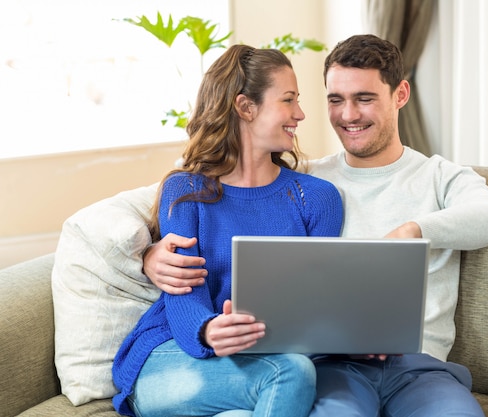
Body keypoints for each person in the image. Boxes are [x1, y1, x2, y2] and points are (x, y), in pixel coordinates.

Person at [143, 35, 488, 416]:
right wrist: (149, 253)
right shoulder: (308, 181)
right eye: (336, 100)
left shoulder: (439, 176)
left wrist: (412, 232)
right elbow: (213, 181)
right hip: (335, 366)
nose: (349, 114)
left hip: (418, 367)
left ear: (400, 94)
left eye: (365, 98)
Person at [111, 44, 344, 417]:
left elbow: (316, 305)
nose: (300, 114)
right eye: (288, 100)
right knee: (290, 372)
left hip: (255, 362)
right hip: (171, 355)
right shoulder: (186, 190)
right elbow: (182, 295)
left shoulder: (317, 198)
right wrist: (207, 331)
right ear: (245, 107)